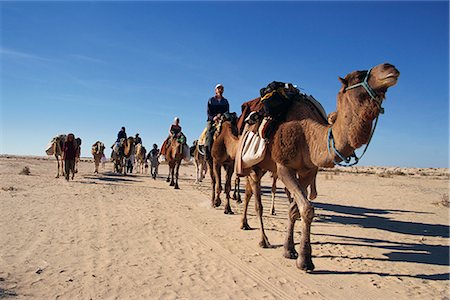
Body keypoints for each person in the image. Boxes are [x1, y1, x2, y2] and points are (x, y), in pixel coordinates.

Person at [205, 83, 230, 159]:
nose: (220, 90)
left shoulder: (225, 101)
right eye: (218, 88)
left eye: (221, 88)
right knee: (209, 132)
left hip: (223, 119)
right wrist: (214, 117)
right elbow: (208, 112)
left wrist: (222, 116)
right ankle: (208, 154)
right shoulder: (211, 100)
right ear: (215, 90)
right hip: (212, 120)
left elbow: (227, 111)